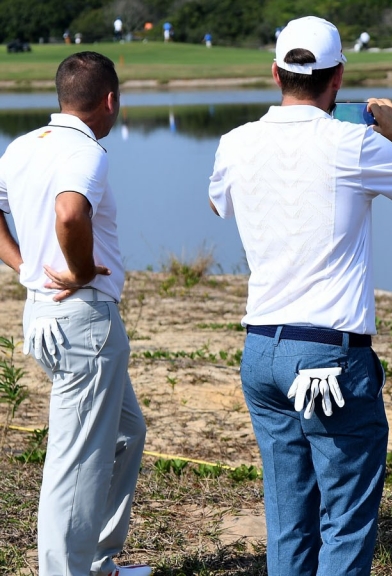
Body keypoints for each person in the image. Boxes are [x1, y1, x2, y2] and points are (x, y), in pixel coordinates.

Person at [207, 15, 392, 575]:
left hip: (262, 350)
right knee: (346, 516)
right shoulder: (354, 142)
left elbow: (218, 202)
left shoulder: (235, 143)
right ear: (338, 76)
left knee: (288, 515)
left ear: (275, 73)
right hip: (330, 359)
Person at [0, 52, 149, 576]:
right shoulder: (88, 152)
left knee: (127, 433)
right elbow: (70, 212)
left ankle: (99, 560)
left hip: (45, 317)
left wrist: (23, 268)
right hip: (83, 323)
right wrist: (82, 270)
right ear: (109, 101)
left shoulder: (22, 146)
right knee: (76, 463)